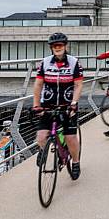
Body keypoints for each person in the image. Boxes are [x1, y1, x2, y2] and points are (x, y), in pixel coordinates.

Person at [33, 32, 83, 180]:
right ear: (51, 48)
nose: (58, 48)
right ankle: (43, 150)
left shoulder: (74, 63)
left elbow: (78, 85)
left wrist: (74, 103)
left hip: (68, 105)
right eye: (55, 46)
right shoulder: (45, 63)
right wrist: (36, 105)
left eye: (60, 45)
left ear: (65, 46)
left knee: (70, 137)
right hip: (48, 104)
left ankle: (75, 162)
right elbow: (38, 84)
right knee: (41, 136)